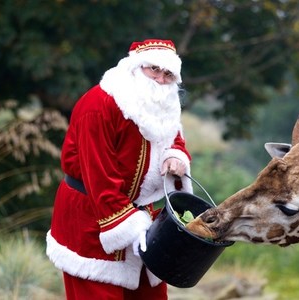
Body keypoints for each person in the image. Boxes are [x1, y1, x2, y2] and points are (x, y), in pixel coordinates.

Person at [46, 38, 193, 299]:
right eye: (154, 69)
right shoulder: (99, 106)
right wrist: (130, 226)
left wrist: (176, 155)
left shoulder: (164, 102)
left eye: (168, 74)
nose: (160, 79)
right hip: (91, 218)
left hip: (143, 216)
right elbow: (98, 177)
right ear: (136, 67)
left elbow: (173, 135)